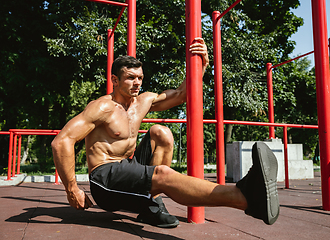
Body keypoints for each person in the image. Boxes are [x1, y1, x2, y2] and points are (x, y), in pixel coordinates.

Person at [52, 37, 280, 228]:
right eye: (130, 78)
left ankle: (152, 205)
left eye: (140, 77)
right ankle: (246, 198)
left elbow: (181, 94)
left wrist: (202, 64)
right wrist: (72, 189)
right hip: (105, 179)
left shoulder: (143, 101)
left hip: (128, 165)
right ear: (115, 79)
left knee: (161, 132)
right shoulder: (103, 107)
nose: (137, 83)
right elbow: (62, 142)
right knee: (162, 174)